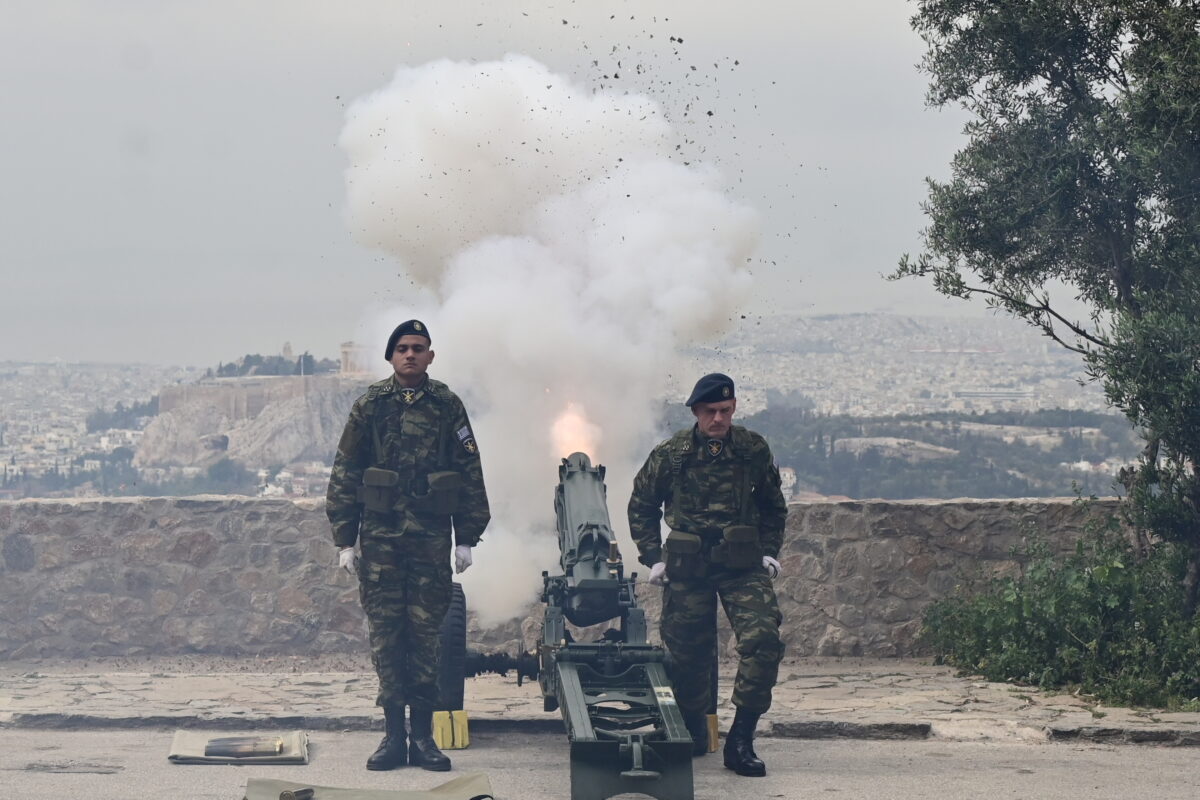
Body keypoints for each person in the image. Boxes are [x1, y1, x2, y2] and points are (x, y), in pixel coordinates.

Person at [326, 319, 490, 772]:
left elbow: (469, 470)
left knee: (425, 641)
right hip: (380, 544)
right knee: (387, 640)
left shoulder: (447, 405)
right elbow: (345, 472)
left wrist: (467, 537)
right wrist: (345, 539)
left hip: (430, 542)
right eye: (402, 348)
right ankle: (393, 738)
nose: (410, 354)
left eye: (419, 347)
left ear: (430, 356)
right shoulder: (371, 407)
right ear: (391, 356)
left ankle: (423, 738)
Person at [627, 372, 785, 777]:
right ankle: (692, 731)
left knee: (763, 640)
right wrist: (652, 558)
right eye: (711, 411)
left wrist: (769, 551)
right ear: (697, 411)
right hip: (689, 568)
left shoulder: (752, 450)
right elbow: (641, 503)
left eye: (726, 411)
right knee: (687, 655)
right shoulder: (673, 454)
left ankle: (741, 739)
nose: (719, 419)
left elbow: (773, 505)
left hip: (741, 566)